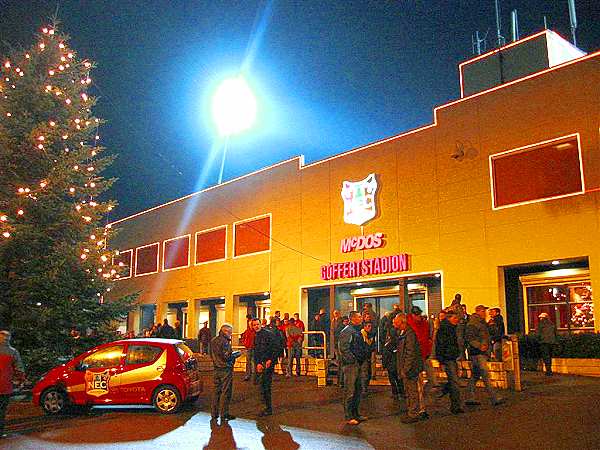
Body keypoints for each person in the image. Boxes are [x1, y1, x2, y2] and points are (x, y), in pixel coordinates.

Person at [465, 305, 503, 406]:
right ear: (478, 311)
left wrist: (491, 326)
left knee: (475, 376)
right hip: (477, 353)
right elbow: (470, 338)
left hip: (482, 352)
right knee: (485, 374)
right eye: (483, 311)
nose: (485, 313)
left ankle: (470, 397)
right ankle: (494, 397)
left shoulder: (482, 323)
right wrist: (479, 346)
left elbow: (489, 334)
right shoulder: (473, 323)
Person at [393, 314, 428, 423]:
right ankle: (412, 411)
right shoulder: (402, 333)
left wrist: (405, 369)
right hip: (406, 367)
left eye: (396, 321)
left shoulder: (409, 334)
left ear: (402, 322)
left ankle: (414, 413)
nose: (394, 323)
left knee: (412, 391)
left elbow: (410, 353)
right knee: (408, 390)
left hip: (411, 368)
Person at [338, 311, 370, 425]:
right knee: (350, 391)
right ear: (353, 319)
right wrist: (353, 360)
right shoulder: (347, 331)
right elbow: (344, 348)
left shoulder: (357, 331)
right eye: (359, 317)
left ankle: (356, 413)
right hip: (351, 365)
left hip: (358, 363)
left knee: (358, 390)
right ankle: (349, 415)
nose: (362, 318)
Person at [435, 311, 464, 414]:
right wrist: (441, 360)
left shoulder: (453, 329)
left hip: (452, 357)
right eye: (455, 318)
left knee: (454, 381)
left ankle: (443, 392)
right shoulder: (444, 330)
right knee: (454, 381)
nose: (457, 320)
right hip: (448, 358)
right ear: (449, 318)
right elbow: (440, 346)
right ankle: (456, 406)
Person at [210, 324, 238, 422]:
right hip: (225, 369)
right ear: (225, 331)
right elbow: (226, 357)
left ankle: (214, 413)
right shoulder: (225, 342)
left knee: (216, 392)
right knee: (226, 392)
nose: (230, 334)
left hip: (216, 368)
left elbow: (212, 354)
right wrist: (234, 356)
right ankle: (224, 413)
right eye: (230, 332)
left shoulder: (213, 340)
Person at [0, 330, 25, 438]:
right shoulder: (13, 352)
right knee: (2, 410)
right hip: (5, 385)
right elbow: (19, 369)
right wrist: (21, 381)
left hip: (5, 385)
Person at [253, 319, 280, 416]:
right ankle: (265, 407)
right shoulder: (256, 336)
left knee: (266, 385)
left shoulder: (268, 334)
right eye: (254, 325)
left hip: (268, 363)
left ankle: (268, 408)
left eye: (257, 324)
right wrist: (258, 363)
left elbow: (275, 348)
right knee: (262, 386)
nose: (256, 326)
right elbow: (256, 351)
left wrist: (270, 360)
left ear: (261, 324)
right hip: (261, 363)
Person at [360, 321, 376, 396]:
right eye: (368, 326)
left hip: (368, 355)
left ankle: (365, 388)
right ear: (365, 327)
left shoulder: (371, 334)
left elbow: (372, 344)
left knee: (367, 373)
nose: (370, 328)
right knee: (364, 373)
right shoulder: (362, 334)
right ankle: (364, 389)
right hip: (364, 356)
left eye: (371, 326)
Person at [241, 315, 256, 382]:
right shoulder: (247, 331)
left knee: (254, 362)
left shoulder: (255, 332)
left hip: (254, 348)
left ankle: (254, 375)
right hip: (248, 348)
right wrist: (245, 343)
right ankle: (248, 375)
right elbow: (243, 337)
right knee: (248, 362)